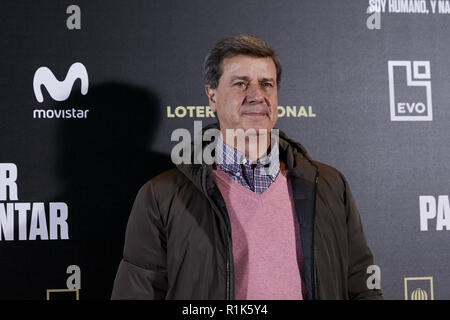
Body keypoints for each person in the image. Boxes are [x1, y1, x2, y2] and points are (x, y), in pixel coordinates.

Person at [111, 34, 383, 300]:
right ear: (212, 96)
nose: (256, 96)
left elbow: (361, 285)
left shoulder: (330, 186)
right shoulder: (161, 196)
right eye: (241, 84)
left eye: (267, 84)